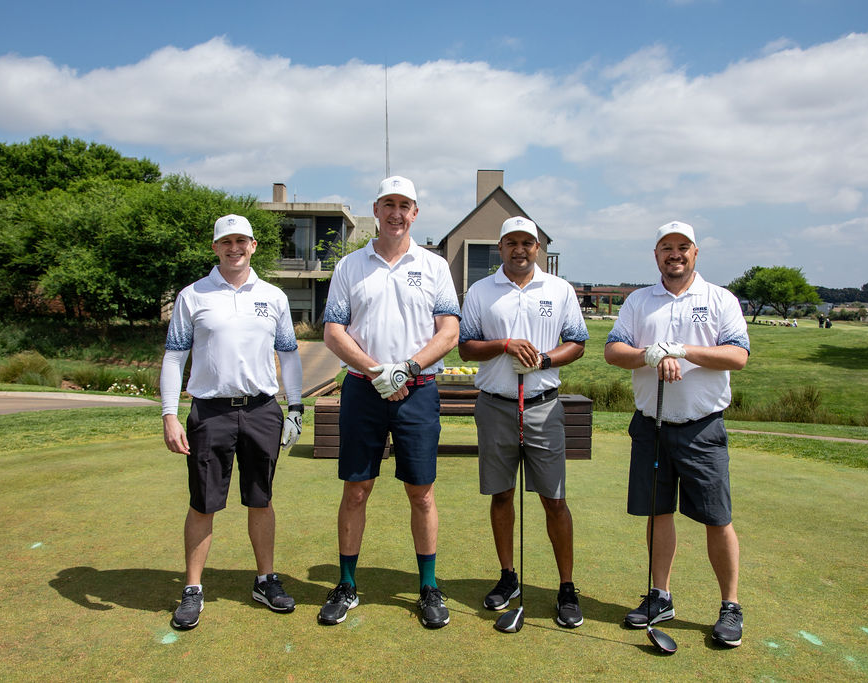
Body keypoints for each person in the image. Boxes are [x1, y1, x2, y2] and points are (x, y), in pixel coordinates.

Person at [319, 176, 460, 629]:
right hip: (364, 390)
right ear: (376, 209)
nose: (396, 213)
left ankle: (429, 587)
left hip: (418, 391)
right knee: (356, 489)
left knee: (421, 492)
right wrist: (380, 372)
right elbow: (334, 331)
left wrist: (407, 369)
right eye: (388, 204)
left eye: (405, 205)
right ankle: (346, 584)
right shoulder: (350, 266)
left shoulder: (434, 266)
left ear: (415, 212)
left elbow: (449, 332)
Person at [604, 220, 750, 648]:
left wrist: (681, 350)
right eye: (666, 247)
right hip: (651, 425)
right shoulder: (638, 301)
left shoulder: (719, 299)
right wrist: (649, 354)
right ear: (656, 255)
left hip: (702, 426)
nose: (675, 254)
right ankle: (661, 595)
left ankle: (730, 605)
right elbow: (614, 351)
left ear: (695, 253)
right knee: (658, 511)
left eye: (682, 247)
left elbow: (737, 355)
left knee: (717, 518)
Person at [161, 214, 305, 630]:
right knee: (203, 502)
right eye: (226, 241)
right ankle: (192, 588)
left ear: (253, 245)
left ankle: (265, 580)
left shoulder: (273, 296)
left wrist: (295, 407)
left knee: (261, 498)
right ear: (215, 247)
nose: (234, 248)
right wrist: (169, 414)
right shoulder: (193, 295)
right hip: (210, 412)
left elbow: (289, 355)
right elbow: (174, 357)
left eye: (242, 241)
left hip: (262, 410)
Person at [458, 217, 589, 628]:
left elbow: (578, 343)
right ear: (500, 248)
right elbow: (465, 347)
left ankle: (566, 587)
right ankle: (508, 576)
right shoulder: (481, 291)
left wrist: (544, 359)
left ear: (538, 248)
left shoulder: (559, 289)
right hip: (496, 405)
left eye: (527, 243)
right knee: (501, 495)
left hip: (542, 407)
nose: (520, 249)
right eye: (511, 242)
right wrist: (504, 345)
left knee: (554, 500)